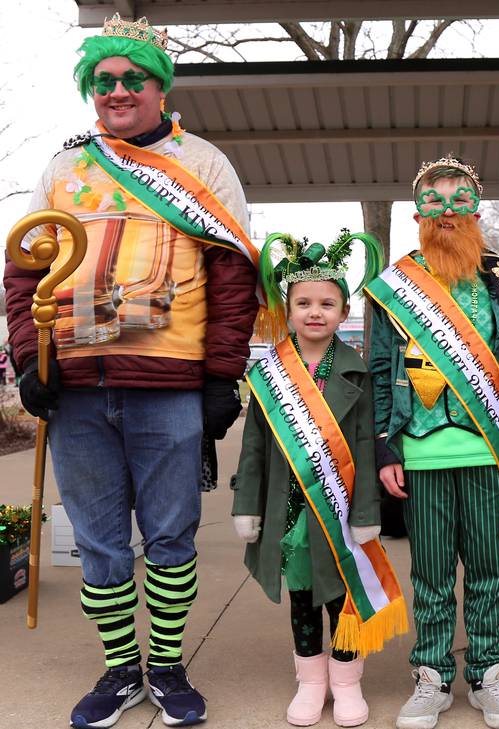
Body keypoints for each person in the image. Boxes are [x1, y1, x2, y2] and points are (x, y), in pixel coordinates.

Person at [3, 15, 259, 729]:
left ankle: (168, 665)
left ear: (159, 87)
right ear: (92, 90)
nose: (118, 90)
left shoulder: (202, 163)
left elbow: (234, 276)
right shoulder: (65, 165)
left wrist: (220, 376)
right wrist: (29, 357)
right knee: (100, 540)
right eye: (104, 80)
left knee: (173, 535)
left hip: (169, 382)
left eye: (133, 78)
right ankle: (121, 667)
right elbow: (24, 270)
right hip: (76, 385)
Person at [365, 157, 499, 729]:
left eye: (460, 198)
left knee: (490, 569)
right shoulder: (397, 283)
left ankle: (489, 672)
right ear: (418, 212)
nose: (448, 210)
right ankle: (432, 675)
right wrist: (385, 447)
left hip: (490, 453)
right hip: (419, 454)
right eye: (435, 200)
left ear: (476, 206)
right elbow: (379, 367)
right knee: (432, 573)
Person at [232, 231, 407, 728]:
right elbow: (254, 449)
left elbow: (369, 449)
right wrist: (247, 506)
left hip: (342, 510)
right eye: (304, 302)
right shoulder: (268, 375)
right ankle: (311, 683)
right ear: (286, 311)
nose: (315, 312)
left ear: (344, 309)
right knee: (303, 601)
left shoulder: (357, 373)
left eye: (327, 303)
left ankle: (347, 683)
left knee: (345, 599)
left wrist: (369, 514)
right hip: (289, 510)